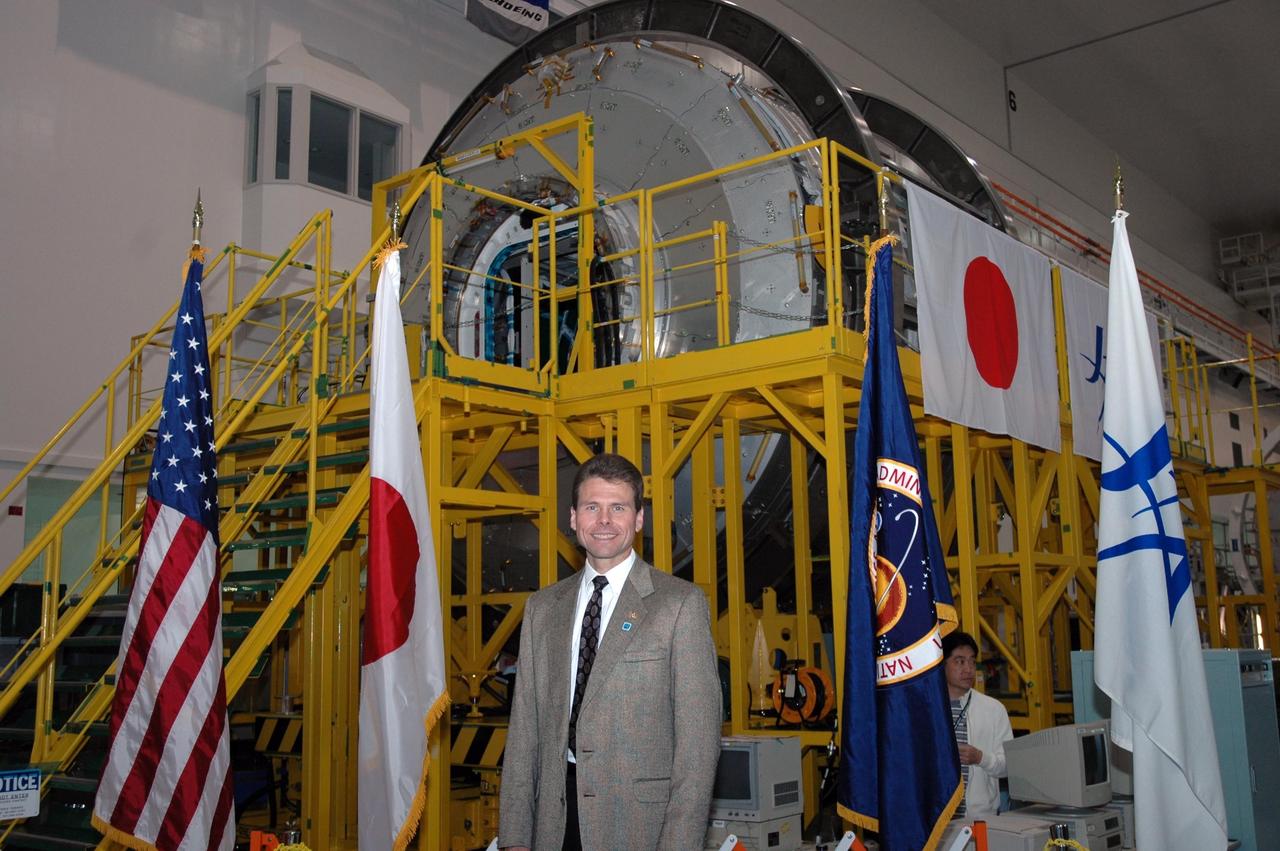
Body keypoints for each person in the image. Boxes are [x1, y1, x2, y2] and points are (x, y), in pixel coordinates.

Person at [498, 453, 722, 851]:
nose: (604, 521)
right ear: (573, 518)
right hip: (555, 823)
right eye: (592, 507)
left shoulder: (679, 605)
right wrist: (515, 837)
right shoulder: (542, 609)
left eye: (618, 508)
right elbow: (524, 733)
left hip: (640, 828)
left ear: (638, 519)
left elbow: (698, 746)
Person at [942, 630, 1013, 820]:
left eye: (972, 661)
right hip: (937, 822)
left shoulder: (993, 709)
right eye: (959, 661)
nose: (968, 669)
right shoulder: (927, 711)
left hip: (980, 820)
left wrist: (981, 758)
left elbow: (1009, 765)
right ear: (942, 664)